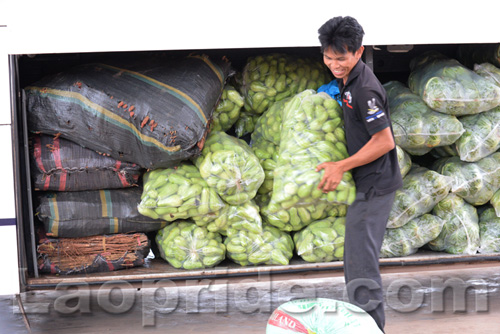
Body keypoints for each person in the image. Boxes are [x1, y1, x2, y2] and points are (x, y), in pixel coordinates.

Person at [315, 16, 403, 332]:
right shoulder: (349, 80)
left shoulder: (365, 89)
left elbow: (384, 141)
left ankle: (372, 329)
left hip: (375, 184)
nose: (334, 64)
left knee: (361, 267)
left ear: (359, 52)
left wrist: (341, 166)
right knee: (354, 264)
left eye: (342, 58)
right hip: (365, 184)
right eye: (328, 57)